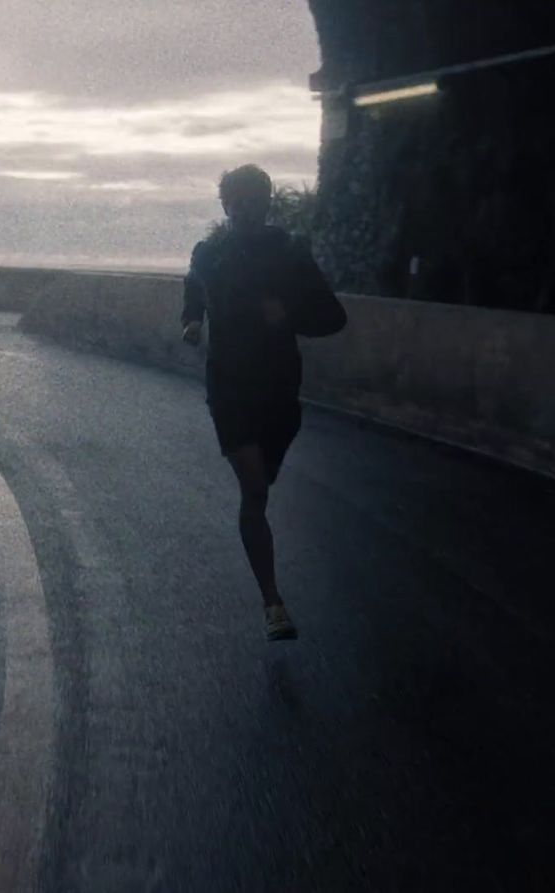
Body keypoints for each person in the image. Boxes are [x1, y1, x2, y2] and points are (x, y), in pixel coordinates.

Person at [181, 164, 346, 641]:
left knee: (263, 483)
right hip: (229, 388)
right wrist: (191, 320)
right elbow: (194, 285)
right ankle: (273, 602)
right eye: (238, 202)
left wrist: (288, 313)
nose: (248, 210)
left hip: (278, 393)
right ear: (226, 206)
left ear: (268, 203)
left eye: (256, 201)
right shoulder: (210, 254)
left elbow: (334, 317)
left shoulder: (290, 254)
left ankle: (269, 582)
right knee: (254, 491)